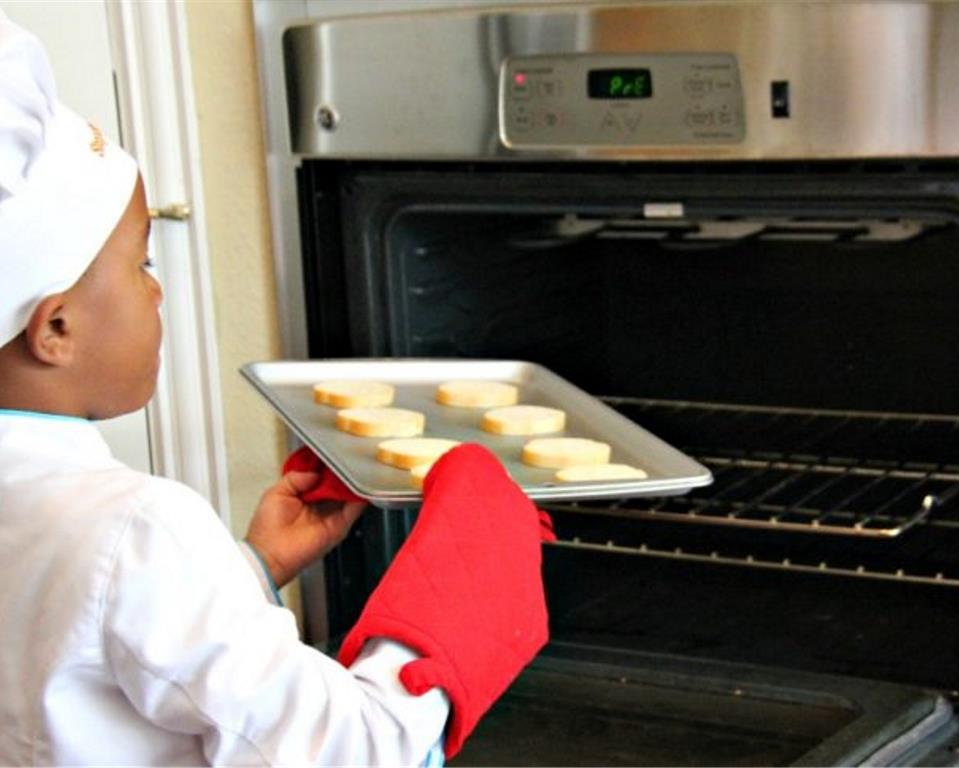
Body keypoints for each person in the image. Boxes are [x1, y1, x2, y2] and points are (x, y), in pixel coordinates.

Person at [0, 14, 551, 766]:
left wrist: (248, 570)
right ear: (54, 328)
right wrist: (467, 579)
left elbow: (85, 651)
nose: (157, 295)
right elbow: (353, 751)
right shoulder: (139, 528)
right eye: (142, 265)